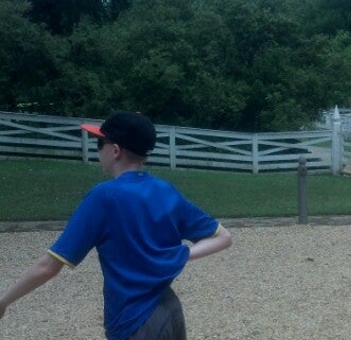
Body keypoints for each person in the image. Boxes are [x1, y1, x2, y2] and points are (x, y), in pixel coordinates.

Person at [0, 111, 232, 339]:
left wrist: (4, 301)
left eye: (100, 143)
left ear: (115, 150)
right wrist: (177, 256)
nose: (98, 150)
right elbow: (223, 237)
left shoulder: (104, 197)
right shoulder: (165, 190)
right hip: (170, 312)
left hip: (133, 320)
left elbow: (49, 266)